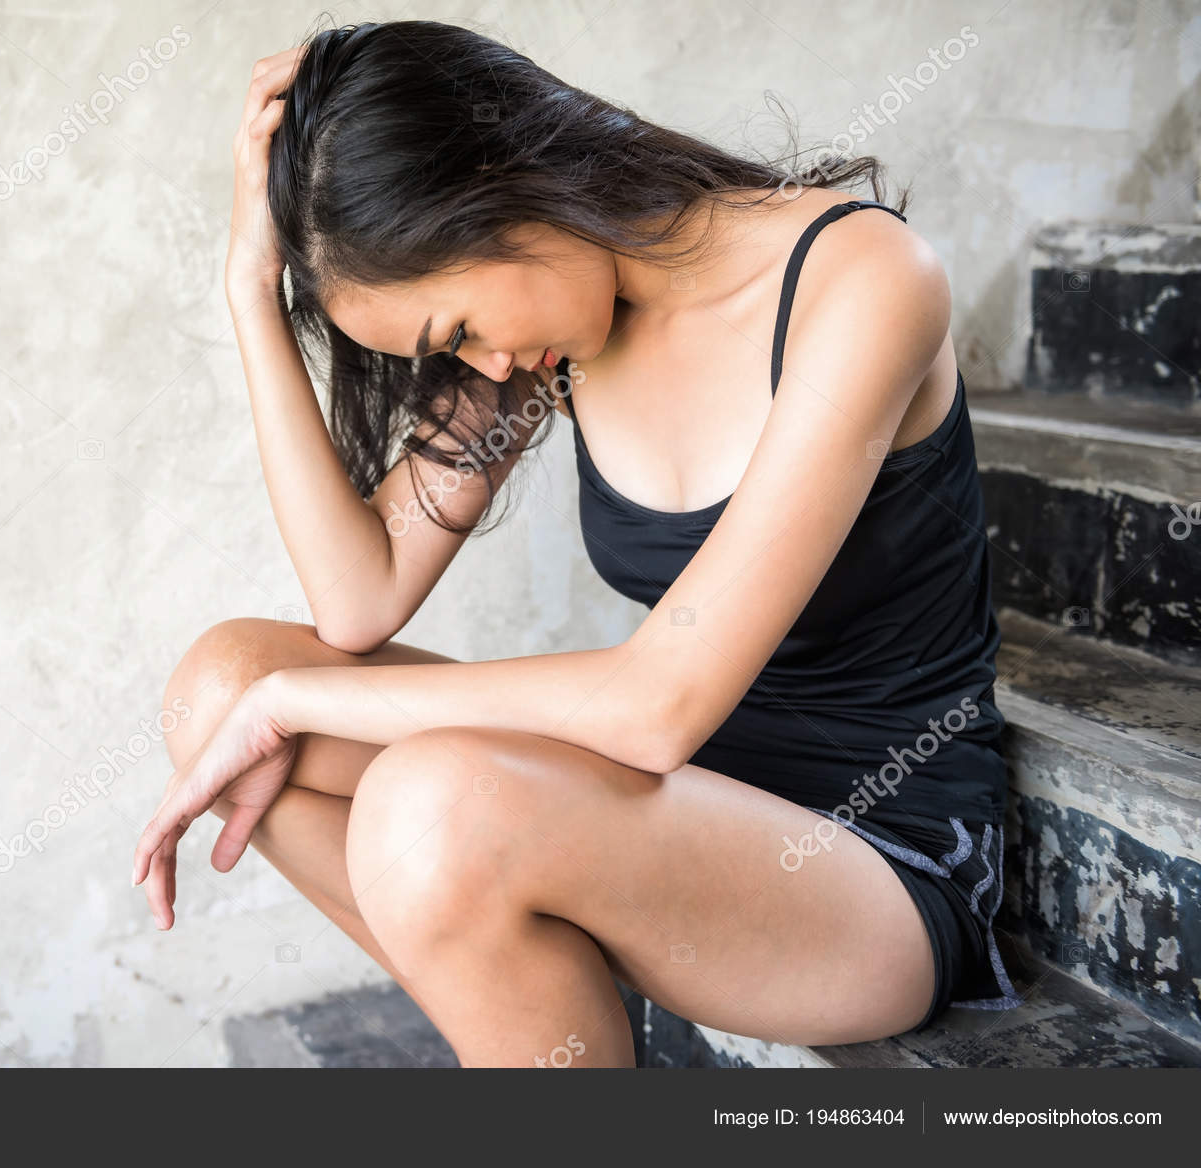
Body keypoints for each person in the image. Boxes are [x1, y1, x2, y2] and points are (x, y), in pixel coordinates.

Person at [134, 20, 1022, 1068]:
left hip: (873, 860)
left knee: (425, 794)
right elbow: (358, 601)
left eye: (459, 328)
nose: (488, 359)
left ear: (503, 182)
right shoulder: (553, 342)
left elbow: (657, 707)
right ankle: (530, 1019)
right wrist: (248, 294)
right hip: (664, 822)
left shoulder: (862, 276)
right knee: (217, 685)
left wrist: (295, 703)